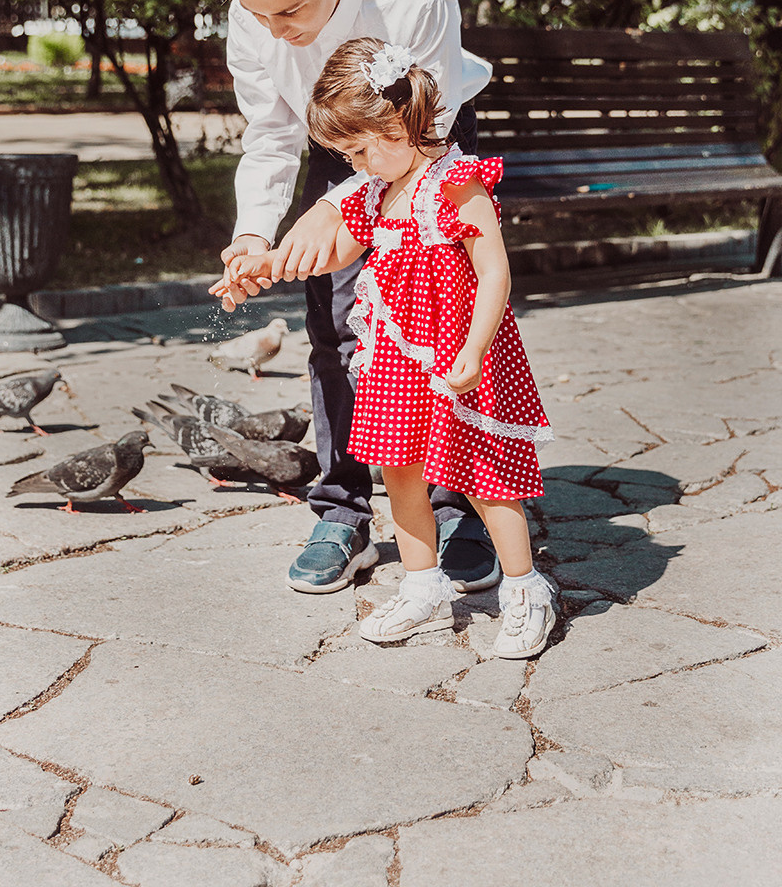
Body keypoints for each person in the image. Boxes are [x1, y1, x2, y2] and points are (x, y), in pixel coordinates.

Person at [200, 0, 500, 596]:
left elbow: (426, 132)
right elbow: (271, 135)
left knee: (439, 323)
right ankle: (341, 508)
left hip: (428, 147)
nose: (275, 30)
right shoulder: (252, 12)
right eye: (259, 14)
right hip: (337, 154)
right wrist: (251, 236)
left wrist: (340, 207)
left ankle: (452, 502)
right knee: (337, 330)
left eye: (290, 14)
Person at [212, 37, 557, 657]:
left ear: (398, 123)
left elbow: (496, 274)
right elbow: (331, 253)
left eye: (360, 148)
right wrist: (260, 265)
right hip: (396, 361)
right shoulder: (374, 193)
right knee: (399, 473)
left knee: (485, 478)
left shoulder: (457, 181)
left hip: (456, 358)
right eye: (346, 153)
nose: (356, 164)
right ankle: (422, 588)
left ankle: (526, 590)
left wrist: (474, 352)